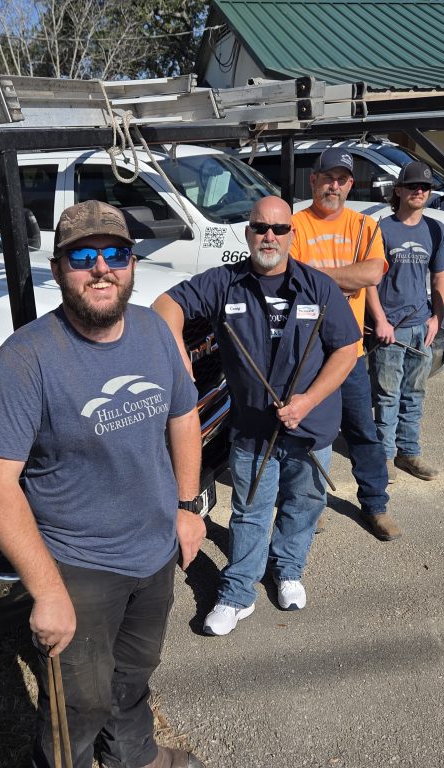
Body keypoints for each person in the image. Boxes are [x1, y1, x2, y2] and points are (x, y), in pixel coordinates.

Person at [0, 200, 207, 768]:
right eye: (82, 255)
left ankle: (134, 755)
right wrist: (49, 593)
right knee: (77, 703)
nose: (100, 268)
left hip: (153, 551)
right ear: (58, 271)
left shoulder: (152, 329)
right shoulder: (26, 359)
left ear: (130, 263)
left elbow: (183, 415)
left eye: (115, 254)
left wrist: (186, 505)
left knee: (134, 675)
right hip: (79, 566)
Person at [153, 196, 359, 636]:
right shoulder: (223, 283)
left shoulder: (318, 287)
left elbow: (347, 349)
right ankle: (239, 592)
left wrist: (306, 401)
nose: (269, 236)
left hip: (312, 427)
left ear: (291, 235)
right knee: (249, 511)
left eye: (279, 229)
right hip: (251, 428)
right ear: (248, 233)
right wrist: (178, 360)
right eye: (260, 227)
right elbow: (164, 307)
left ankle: (288, 570)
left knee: (304, 504)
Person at [289, 148, 402, 541]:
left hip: (348, 351)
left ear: (350, 185)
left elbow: (371, 273)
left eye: (342, 179)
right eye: (327, 177)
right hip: (304, 353)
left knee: (362, 432)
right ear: (313, 180)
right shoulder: (294, 224)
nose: (333, 185)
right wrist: (344, 276)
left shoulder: (365, 227)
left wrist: (316, 273)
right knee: (307, 433)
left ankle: (376, 505)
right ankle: (311, 503)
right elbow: (289, 276)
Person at [366, 162, 444, 481]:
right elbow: (370, 281)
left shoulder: (435, 230)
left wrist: (436, 318)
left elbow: (440, 277)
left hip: (421, 327)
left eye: (425, 187)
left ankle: (409, 453)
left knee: (415, 393)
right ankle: (384, 457)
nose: (419, 191)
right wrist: (380, 321)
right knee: (387, 395)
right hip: (390, 329)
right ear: (398, 190)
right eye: (412, 186)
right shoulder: (382, 229)